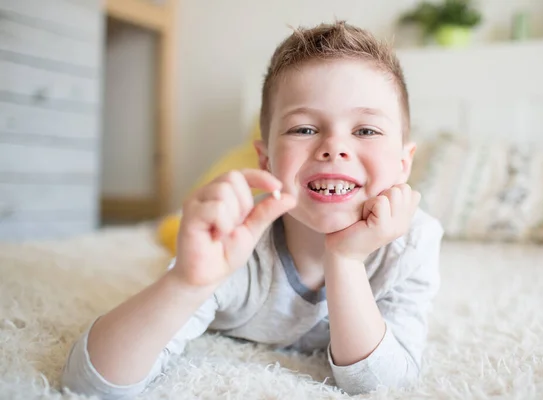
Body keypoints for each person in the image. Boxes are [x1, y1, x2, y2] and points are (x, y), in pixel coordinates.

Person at [61, 21, 444, 398]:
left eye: (366, 130)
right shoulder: (236, 244)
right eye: (304, 129)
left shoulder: (413, 243)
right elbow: (88, 384)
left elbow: (387, 387)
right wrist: (188, 283)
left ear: (403, 164)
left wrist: (345, 259)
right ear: (266, 160)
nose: (334, 147)